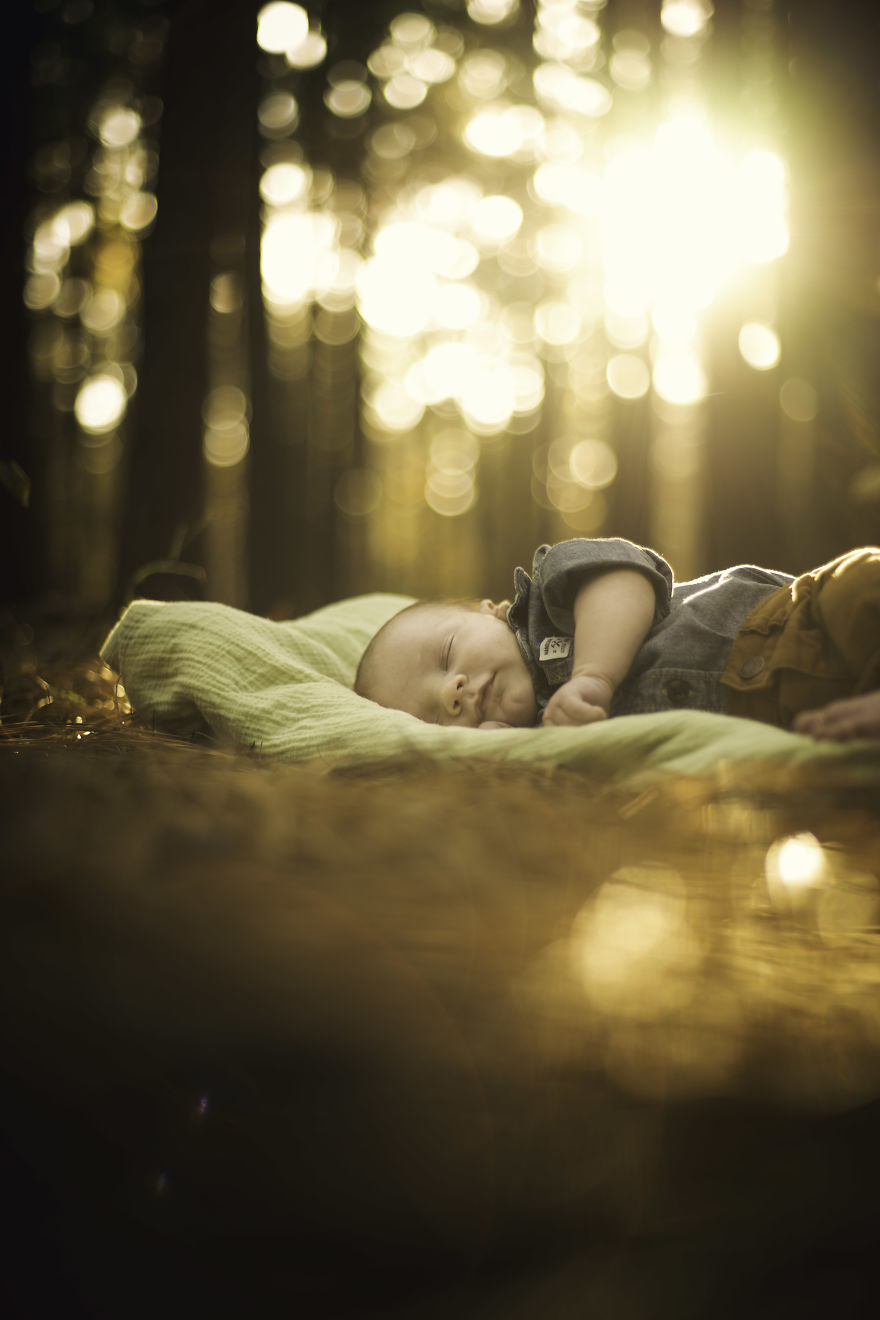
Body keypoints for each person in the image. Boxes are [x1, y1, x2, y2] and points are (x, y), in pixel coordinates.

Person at [354, 538, 880, 741]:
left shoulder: (550, 599)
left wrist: (593, 674)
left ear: (493, 612)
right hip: (805, 713)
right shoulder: (538, 740)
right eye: (436, 714)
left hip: (795, 623)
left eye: (447, 656)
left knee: (864, 595)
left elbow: (625, 579)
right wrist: (502, 749)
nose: (455, 691)